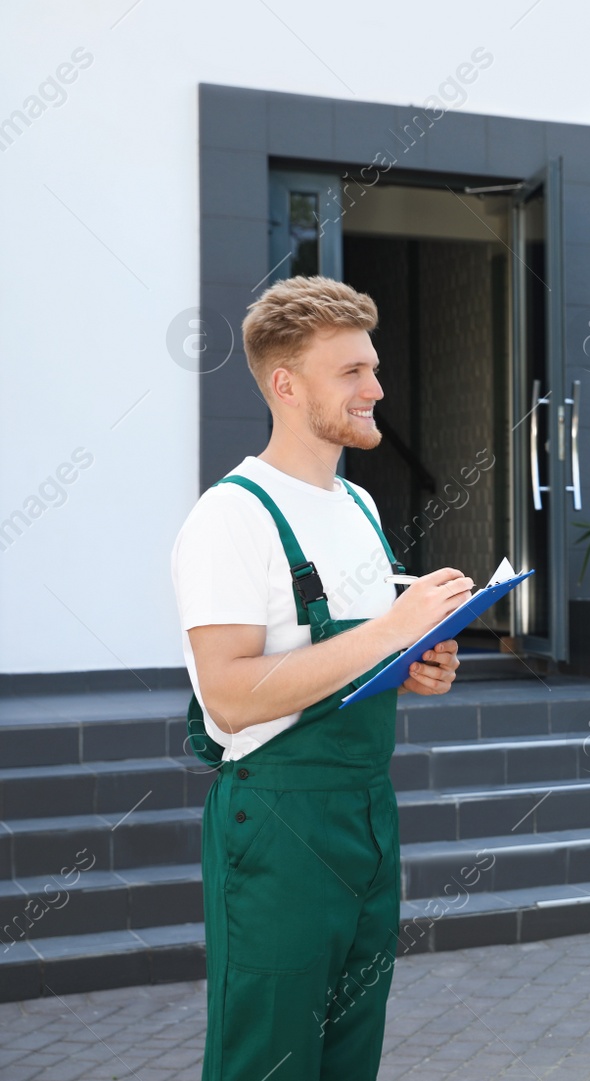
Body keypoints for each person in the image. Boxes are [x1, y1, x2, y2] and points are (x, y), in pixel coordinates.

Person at [171, 275, 476, 1081]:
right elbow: (231, 696)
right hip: (277, 823)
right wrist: (389, 630)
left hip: (369, 813)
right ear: (286, 383)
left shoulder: (362, 508)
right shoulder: (230, 517)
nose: (377, 388)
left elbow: (353, 657)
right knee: (266, 1062)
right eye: (352, 372)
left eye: (372, 367)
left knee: (350, 1058)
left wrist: (415, 662)